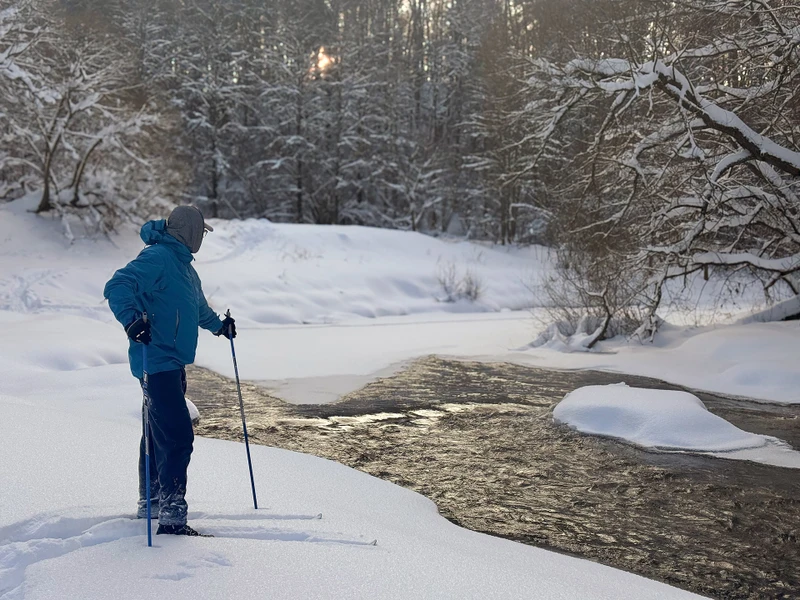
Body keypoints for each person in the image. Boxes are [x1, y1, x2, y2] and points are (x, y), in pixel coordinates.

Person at [104, 205, 236, 536]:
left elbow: (198, 309)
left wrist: (220, 326)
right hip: (155, 361)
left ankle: (149, 502)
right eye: (201, 232)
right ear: (189, 231)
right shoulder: (159, 257)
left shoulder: (184, 269)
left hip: (171, 363)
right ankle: (172, 516)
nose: (201, 239)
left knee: (156, 433)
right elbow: (118, 285)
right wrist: (133, 321)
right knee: (177, 435)